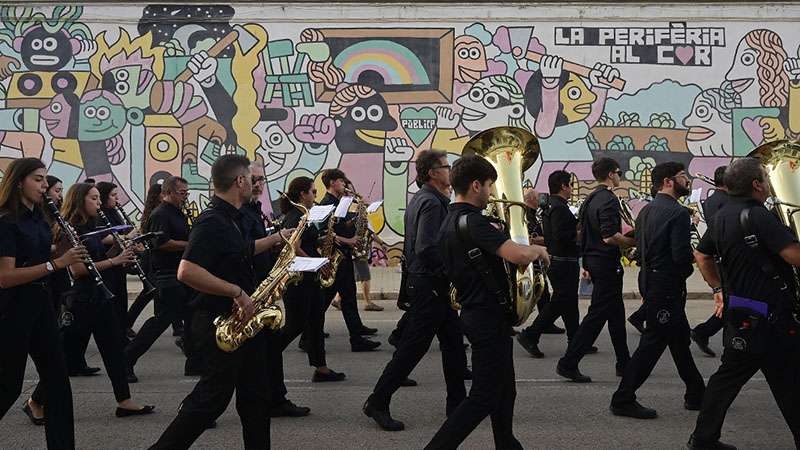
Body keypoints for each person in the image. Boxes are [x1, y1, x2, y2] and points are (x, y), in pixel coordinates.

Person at [149, 155, 290, 450]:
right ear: (239, 181)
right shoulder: (212, 220)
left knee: (256, 399)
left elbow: (242, 251)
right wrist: (236, 292)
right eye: (252, 179)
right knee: (209, 402)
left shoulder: (236, 216)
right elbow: (186, 271)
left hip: (245, 322)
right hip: (219, 320)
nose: (255, 183)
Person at [424, 155, 549, 449]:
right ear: (476, 184)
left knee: (506, 389)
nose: (492, 193)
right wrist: (537, 252)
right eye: (490, 186)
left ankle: (507, 443)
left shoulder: (449, 221)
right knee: (482, 396)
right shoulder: (473, 222)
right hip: (485, 317)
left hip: (480, 312)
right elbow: (517, 255)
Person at [688, 158, 800, 450]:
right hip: (771, 314)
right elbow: (794, 256)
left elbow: (701, 255)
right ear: (757, 184)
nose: (768, 182)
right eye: (766, 177)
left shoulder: (722, 216)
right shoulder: (758, 216)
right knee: (790, 382)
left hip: (742, 309)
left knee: (726, 378)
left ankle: (703, 439)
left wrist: (717, 289)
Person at [364, 150, 468, 431]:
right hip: (430, 285)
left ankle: (458, 405)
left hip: (430, 284)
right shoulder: (433, 203)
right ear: (433, 172)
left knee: (454, 345)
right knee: (413, 348)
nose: (451, 171)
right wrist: (454, 269)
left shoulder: (426, 198)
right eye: (447, 167)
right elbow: (426, 248)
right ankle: (378, 401)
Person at [609, 162, 705, 419]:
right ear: (668, 181)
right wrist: (694, 262)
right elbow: (680, 256)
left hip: (651, 280)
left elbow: (639, 249)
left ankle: (696, 392)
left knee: (679, 338)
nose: (687, 181)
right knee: (653, 341)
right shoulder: (678, 213)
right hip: (667, 285)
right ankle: (623, 398)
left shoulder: (646, 211)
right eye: (683, 177)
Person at [0, 158, 83, 449]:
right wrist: (57, 264)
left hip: (41, 302)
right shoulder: (6, 222)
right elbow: (5, 277)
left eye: (45, 179)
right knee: (8, 386)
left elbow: (41, 253)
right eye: (37, 179)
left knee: (58, 382)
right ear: (19, 181)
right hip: (12, 308)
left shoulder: (40, 217)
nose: (45, 185)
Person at [55, 183, 155, 417]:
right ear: (80, 200)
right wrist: (115, 260)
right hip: (82, 299)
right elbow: (79, 270)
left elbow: (99, 258)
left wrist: (124, 251)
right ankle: (35, 400)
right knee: (62, 356)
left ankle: (124, 400)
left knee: (114, 351)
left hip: (101, 297)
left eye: (99, 198)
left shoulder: (94, 226)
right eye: (94, 199)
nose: (99, 203)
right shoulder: (69, 229)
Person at [268, 176, 347, 419]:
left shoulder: (307, 214)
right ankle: (268, 352)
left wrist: (324, 240)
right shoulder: (296, 216)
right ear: (302, 194)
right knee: (296, 325)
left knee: (315, 321)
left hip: (309, 278)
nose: (315, 195)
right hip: (300, 280)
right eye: (313, 191)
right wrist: (315, 263)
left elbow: (308, 240)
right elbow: (294, 246)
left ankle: (321, 368)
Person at [557, 157, 634, 383]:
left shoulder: (590, 199)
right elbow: (609, 235)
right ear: (611, 174)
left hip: (594, 260)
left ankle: (624, 362)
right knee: (597, 315)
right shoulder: (609, 200)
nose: (620, 176)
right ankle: (569, 362)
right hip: (606, 263)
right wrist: (633, 242)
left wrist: (587, 263)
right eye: (619, 171)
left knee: (616, 313)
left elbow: (582, 232)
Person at [125, 176, 202, 382]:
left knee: (193, 317)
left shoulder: (177, 212)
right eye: (181, 193)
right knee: (159, 322)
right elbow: (160, 243)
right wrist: (189, 245)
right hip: (166, 275)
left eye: (186, 192)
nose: (185, 196)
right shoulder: (161, 214)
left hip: (180, 274)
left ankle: (194, 363)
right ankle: (126, 360)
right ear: (167, 192)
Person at [517, 171, 584, 358]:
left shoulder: (551, 206)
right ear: (563, 186)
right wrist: (580, 232)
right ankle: (531, 334)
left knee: (569, 303)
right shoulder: (560, 208)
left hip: (559, 261)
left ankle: (576, 341)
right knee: (561, 301)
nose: (571, 188)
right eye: (569, 184)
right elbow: (562, 237)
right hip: (564, 262)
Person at [317, 169, 380, 352]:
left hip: (343, 256)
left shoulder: (339, 202)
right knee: (328, 299)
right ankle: (309, 333)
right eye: (341, 181)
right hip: (335, 257)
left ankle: (356, 333)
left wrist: (357, 219)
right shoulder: (327, 203)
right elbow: (325, 232)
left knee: (348, 297)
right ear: (332, 183)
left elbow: (341, 226)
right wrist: (350, 240)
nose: (344, 184)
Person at [691, 165, 729, 357]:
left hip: (716, 255)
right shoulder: (729, 201)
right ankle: (703, 331)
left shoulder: (711, 200)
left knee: (733, 302)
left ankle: (704, 332)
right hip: (726, 257)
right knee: (735, 301)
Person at [125, 184, 164, 334]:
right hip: (150, 258)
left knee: (154, 293)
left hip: (149, 257)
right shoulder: (157, 213)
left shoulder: (153, 211)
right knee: (149, 292)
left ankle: (177, 326)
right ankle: (128, 321)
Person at [95, 181, 130, 341]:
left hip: (119, 260)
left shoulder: (114, 212)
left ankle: (122, 331)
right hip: (109, 260)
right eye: (113, 195)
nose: (117, 199)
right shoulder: (98, 215)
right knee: (113, 302)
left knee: (121, 300)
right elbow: (103, 237)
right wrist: (126, 238)